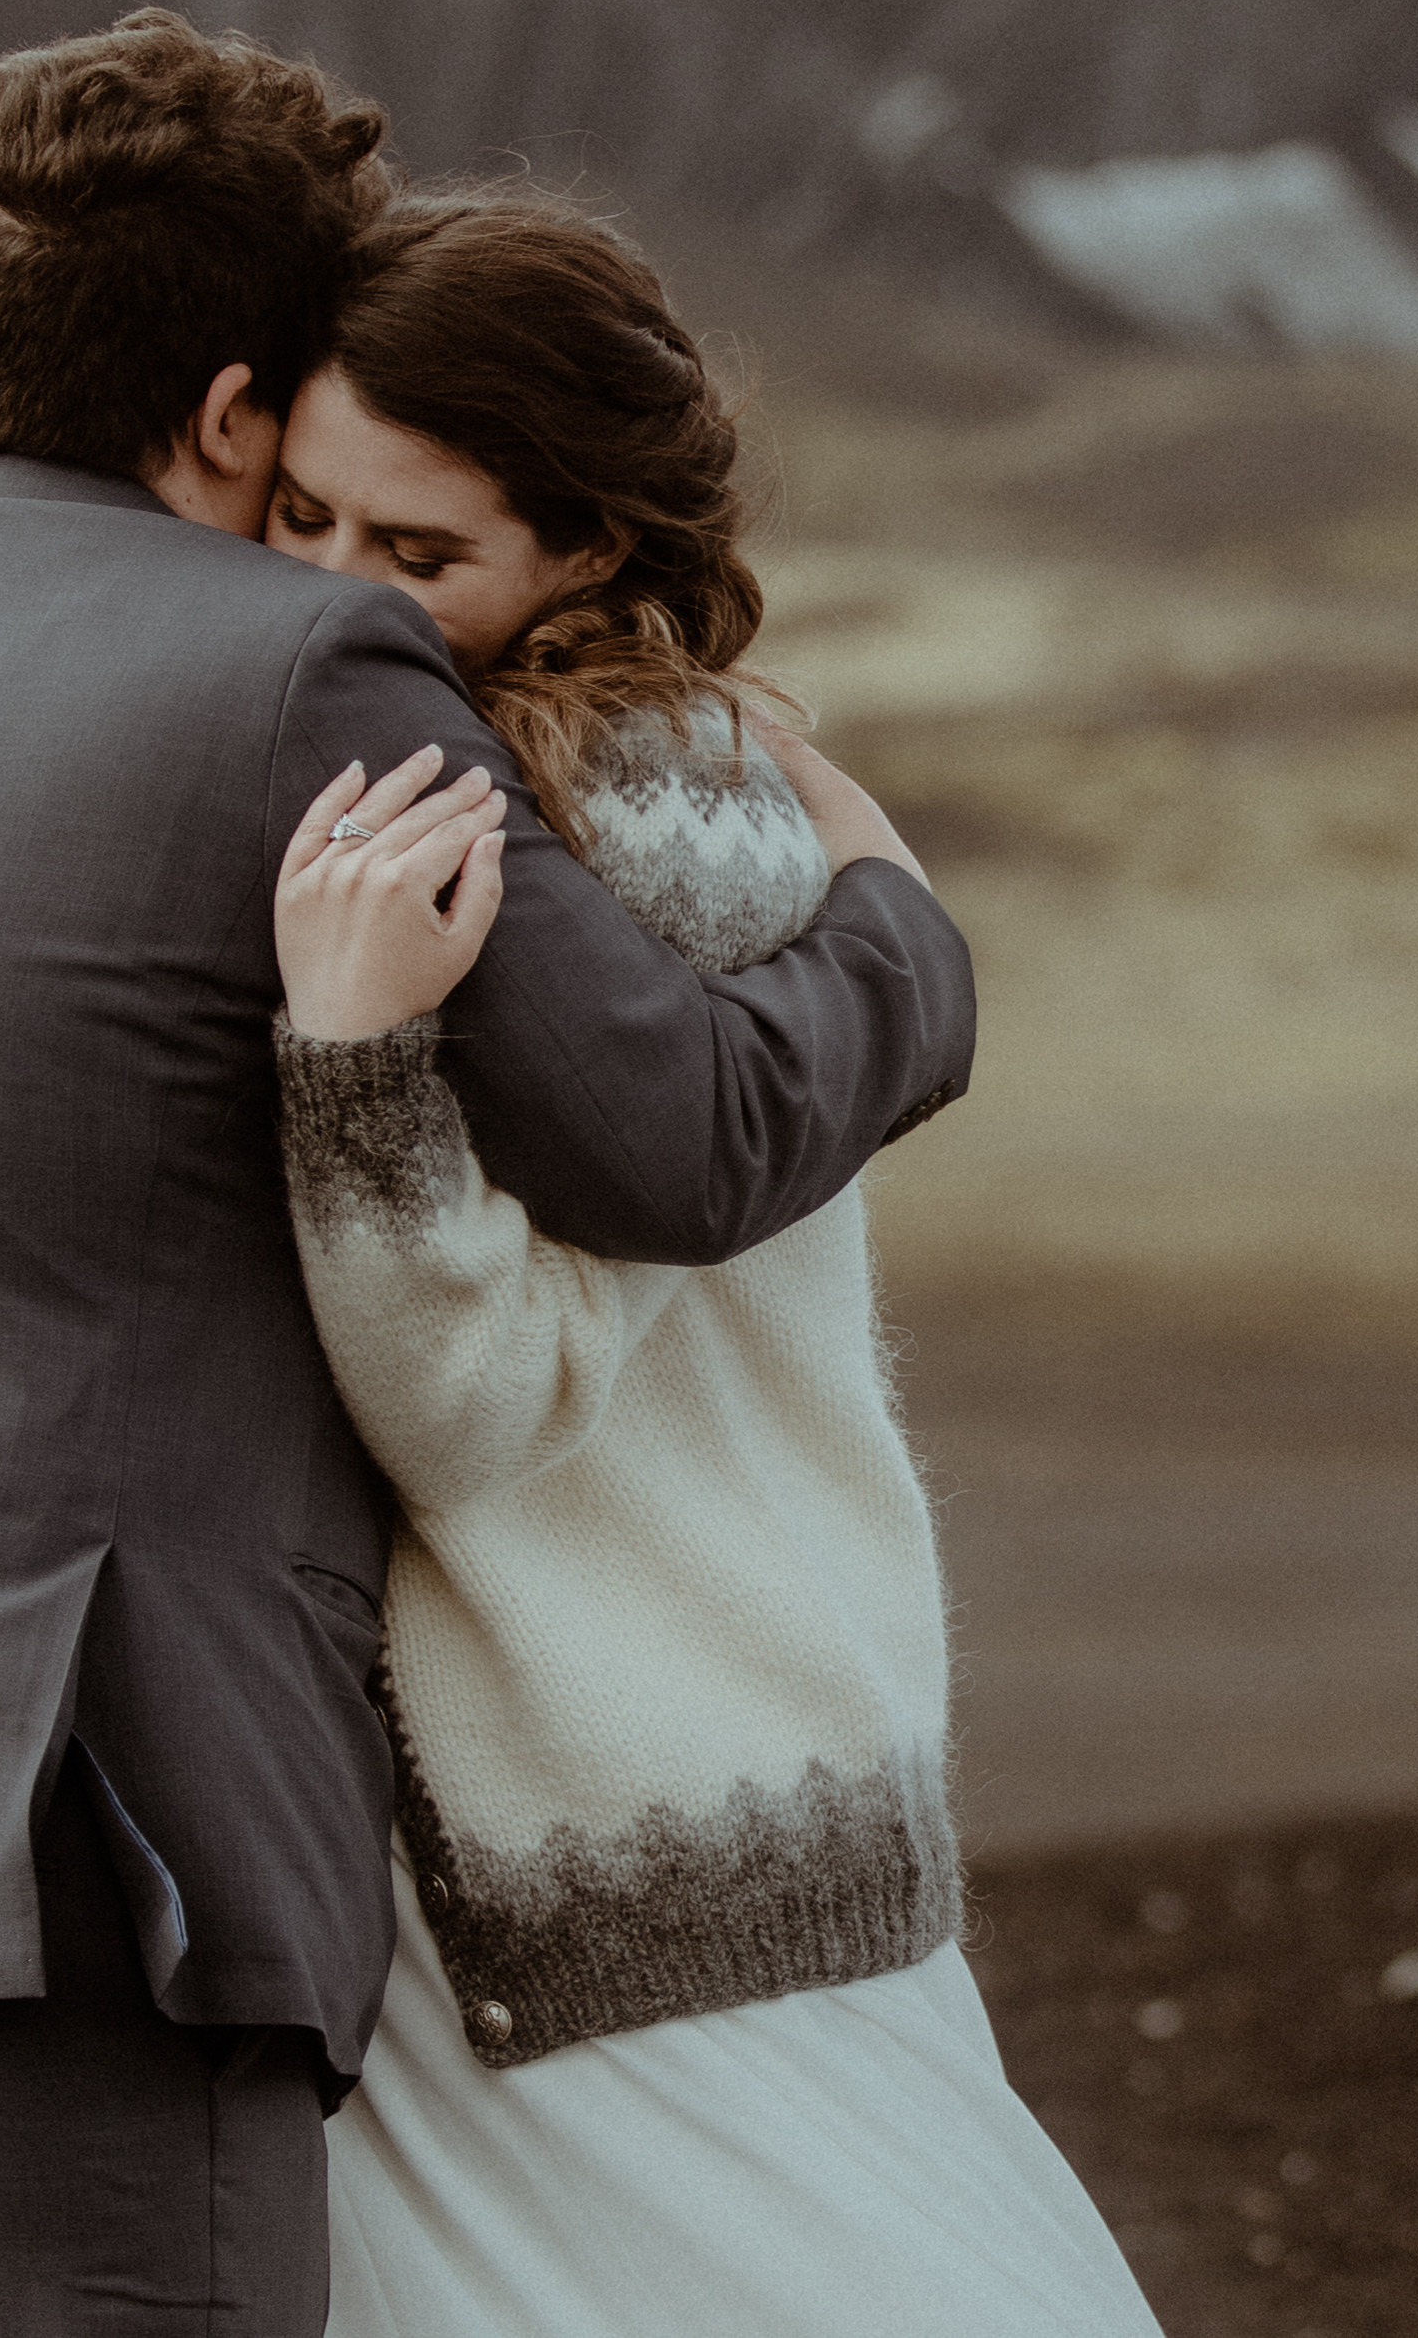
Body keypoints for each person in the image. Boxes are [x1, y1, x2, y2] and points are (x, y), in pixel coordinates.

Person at [0, 7, 975, 2338]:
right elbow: (685, 1133)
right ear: (229, 409)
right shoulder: (297, 671)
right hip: (45, 1828)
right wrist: (899, 921)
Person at [251, 193, 1164, 2336]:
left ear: (579, 548)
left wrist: (350, 1062)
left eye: (410, 554)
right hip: (738, 1776)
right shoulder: (651, 767)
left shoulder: (595, 822)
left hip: (615, 1843)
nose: (318, 599)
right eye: (292, 514)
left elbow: (471, 1406)